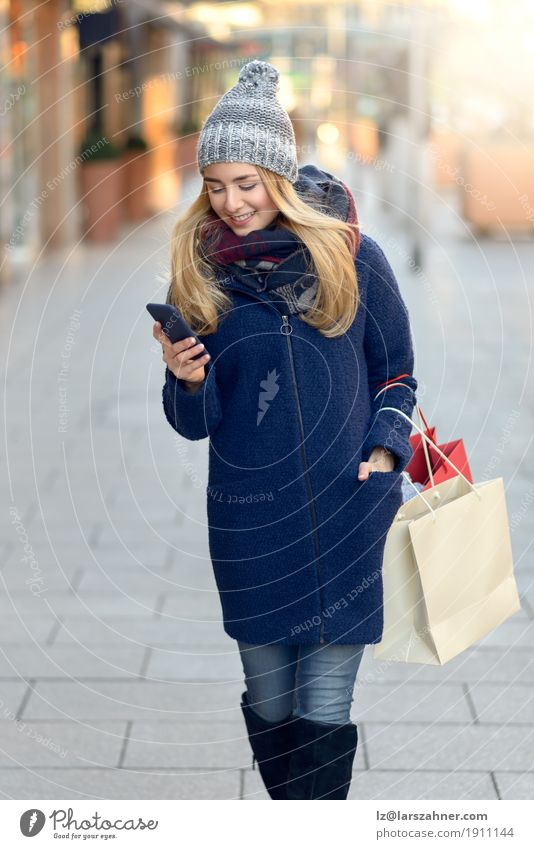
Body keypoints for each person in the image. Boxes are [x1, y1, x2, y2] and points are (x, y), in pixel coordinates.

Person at [152, 59, 418, 800]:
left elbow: (397, 371)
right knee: (270, 707)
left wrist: (383, 446)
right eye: (215, 184)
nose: (231, 202)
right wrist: (188, 377)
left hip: (346, 510)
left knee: (324, 709)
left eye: (247, 183)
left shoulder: (354, 258)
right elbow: (190, 424)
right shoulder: (200, 274)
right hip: (251, 530)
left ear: (280, 175)